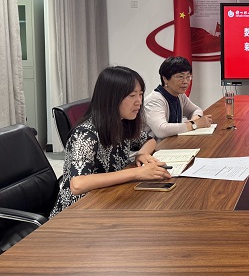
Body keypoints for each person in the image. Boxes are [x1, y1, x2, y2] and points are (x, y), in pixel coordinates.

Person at [50, 66, 171, 216]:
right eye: (132, 95)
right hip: (77, 211)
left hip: (108, 199)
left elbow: (149, 140)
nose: (139, 101)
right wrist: (136, 173)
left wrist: (142, 154)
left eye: (140, 94)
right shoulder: (85, 134)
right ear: (112, 99)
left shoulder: (123, 123)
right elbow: (78, 184)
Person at [144, 56, 212, 139]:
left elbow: (195, 110)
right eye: (180, 77)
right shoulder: (154, 101)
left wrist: (193, 121)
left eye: (188, 77)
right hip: (154, 146)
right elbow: (161, 130)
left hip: (173, 143)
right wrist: (194, 124)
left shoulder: (180, 95)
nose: (185, 82)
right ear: (165, 79)